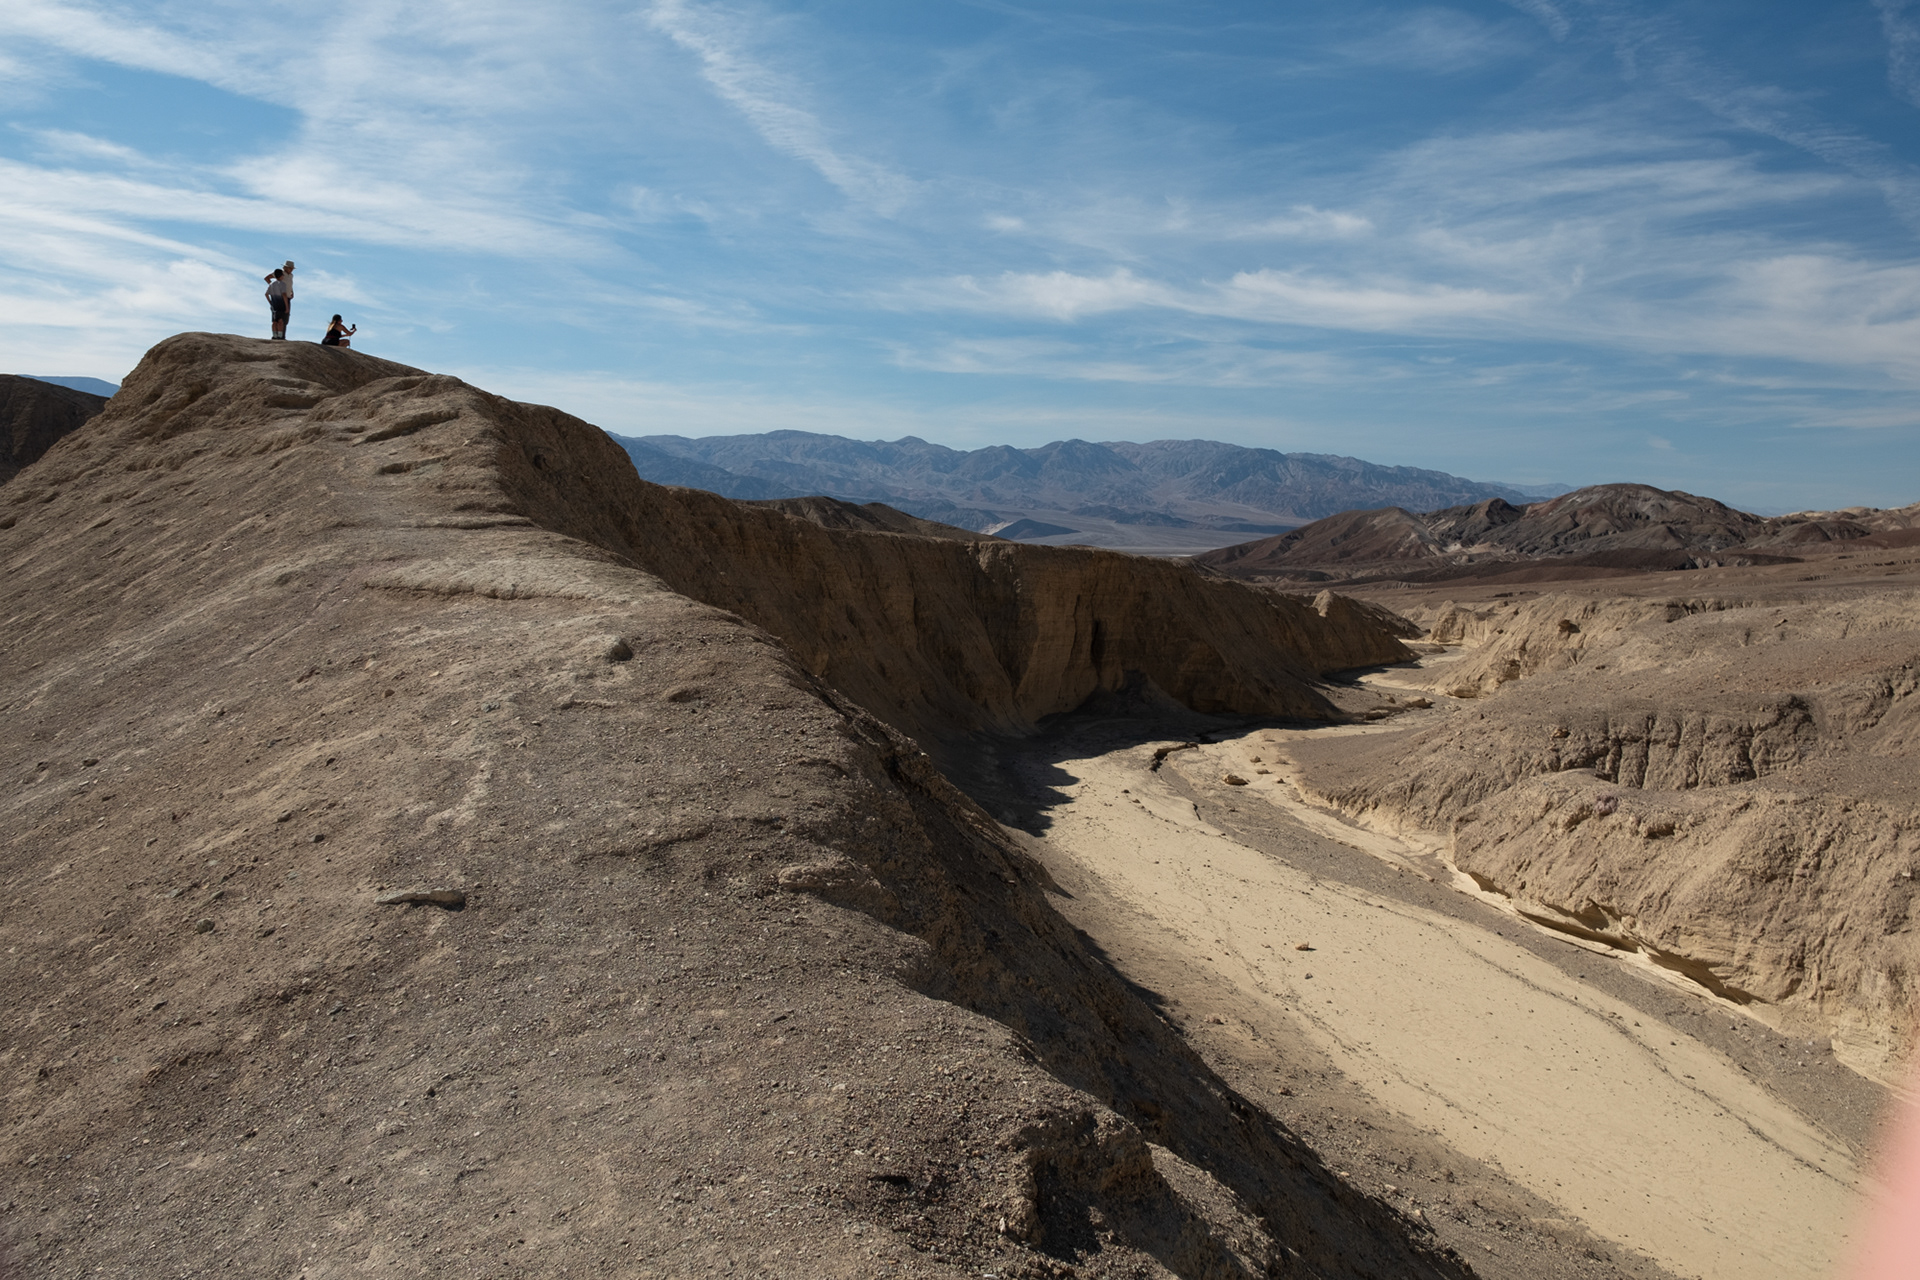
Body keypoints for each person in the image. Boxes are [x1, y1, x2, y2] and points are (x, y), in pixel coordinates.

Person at [264, 268, 289, 340]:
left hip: (274, 304)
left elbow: (266, 294)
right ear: (281, 276)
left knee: (274, 321)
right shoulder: (283, 284)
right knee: (280, 321)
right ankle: (280, 336)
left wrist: (270, 302)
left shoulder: (272, 284)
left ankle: (274, 335)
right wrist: (287, 306)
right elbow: (284, 295)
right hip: (281, 304)